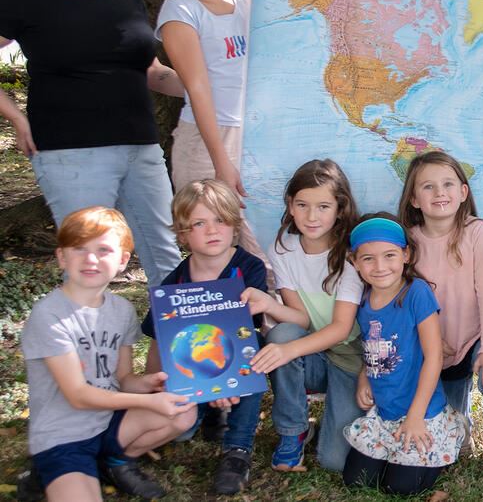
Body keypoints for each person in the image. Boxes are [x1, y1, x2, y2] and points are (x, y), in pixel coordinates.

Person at [0, 0, 184, 286]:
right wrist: (13, 114)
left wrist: (206, 87)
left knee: (168, 265)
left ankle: (172, 351)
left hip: (141, 150)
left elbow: (152, 71)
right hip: (71, 155)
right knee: (90, 268)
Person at [21, 206, 196, 500]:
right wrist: (153, 404)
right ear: (62, 257)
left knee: (184, 411)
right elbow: (78, 394)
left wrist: (150, 384)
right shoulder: (49, 315)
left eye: (103, 250)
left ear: (122, 260)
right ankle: (44, 473)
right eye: (79, 249)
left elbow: (123, 378)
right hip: (63, 437)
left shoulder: (121, 310)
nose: (91, 259)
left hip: (108, 423)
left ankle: (115, 462)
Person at [397, 150, 483, 480]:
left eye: (447, 184)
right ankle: (460, 425)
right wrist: (428, 341)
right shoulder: (408, 242)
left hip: (474, 335)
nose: (439, 193)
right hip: (433, 344)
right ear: (414, 198)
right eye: (428, 187)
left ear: (463, 192)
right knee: (449, 416)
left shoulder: (475, 231)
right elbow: (406, 298)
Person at [139, 179, 268, 495]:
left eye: (220, 220)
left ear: (234, 225)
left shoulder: (248, 268)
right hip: (192, 366)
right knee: (181, 432)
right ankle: (210, 414)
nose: (212, 231)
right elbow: (159, 339)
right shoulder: (175, 282)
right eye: (199, 223)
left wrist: (222, 382)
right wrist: (155, 394)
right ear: (183, 234)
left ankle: (238, 447)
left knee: (258, 352)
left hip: (238, 357)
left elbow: (243, 335)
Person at [156, 0, 268, 268]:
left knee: (261, 246)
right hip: (206, 141)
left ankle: (269, 322)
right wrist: (221, 161)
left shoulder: (248, 1)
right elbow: (198, 88)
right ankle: (220, 324)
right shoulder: (180, 10)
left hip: (253, 137)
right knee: (214, 248)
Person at [244, 159, 365, 472]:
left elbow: (341, 328)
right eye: (303, 205)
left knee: (335, 462)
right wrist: (268, 305)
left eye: (323, 206)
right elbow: (299, 319)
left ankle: (342, 419)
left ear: (340, 208)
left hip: (351, 358)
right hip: (312, 353)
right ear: (290, 205)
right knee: (279, 334)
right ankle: (293, 431)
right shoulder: (283, 247)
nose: (312, 216)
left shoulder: (349, 253)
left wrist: (288, 350)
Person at [342, 215, 465, 495]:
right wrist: (364, 377)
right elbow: (373, 346)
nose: (380, 267)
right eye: (368, 259)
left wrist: (415, 416)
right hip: (386, 410)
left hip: (421, 410)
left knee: (399, 488)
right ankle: (402, 454)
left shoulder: (417, 293)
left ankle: (445, 440)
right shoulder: (362, 300)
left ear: (406, 255)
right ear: (354, 261)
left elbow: (434, 357)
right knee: (355, 481)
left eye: (389, 256)